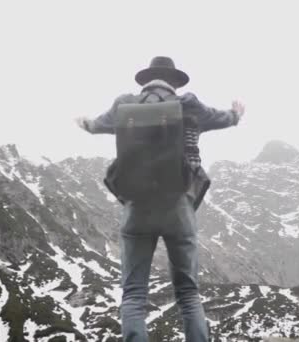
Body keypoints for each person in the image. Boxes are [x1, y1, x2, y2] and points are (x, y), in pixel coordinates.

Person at [75, 56, 245, 342]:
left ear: (146, 81)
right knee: (189, 293)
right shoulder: (189, 105)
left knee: (133, 295)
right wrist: (236, 114)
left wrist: (84, 122)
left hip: (136, 206)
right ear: (175, 82)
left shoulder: (123, 105)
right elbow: (224, 118)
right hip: (178, 205)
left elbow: (95, 125)